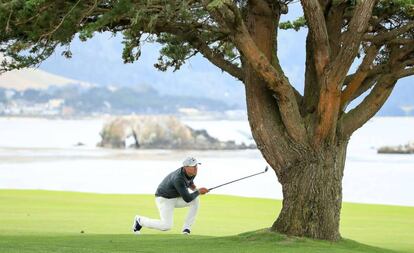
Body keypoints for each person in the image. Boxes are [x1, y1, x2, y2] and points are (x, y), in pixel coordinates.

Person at [132, 157, 209, 235]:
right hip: (164, 198)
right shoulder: (178, 178)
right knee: (166, 226)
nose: (196, 168)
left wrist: (196, 189)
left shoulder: (192, 173)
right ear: (185, 167)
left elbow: (190, 183)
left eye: (196, 166)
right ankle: (140, 220)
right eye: (193, 166)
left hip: (175, 197)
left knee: (195, 200)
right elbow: (187, 198)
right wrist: (199, 191)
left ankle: (186, 228)